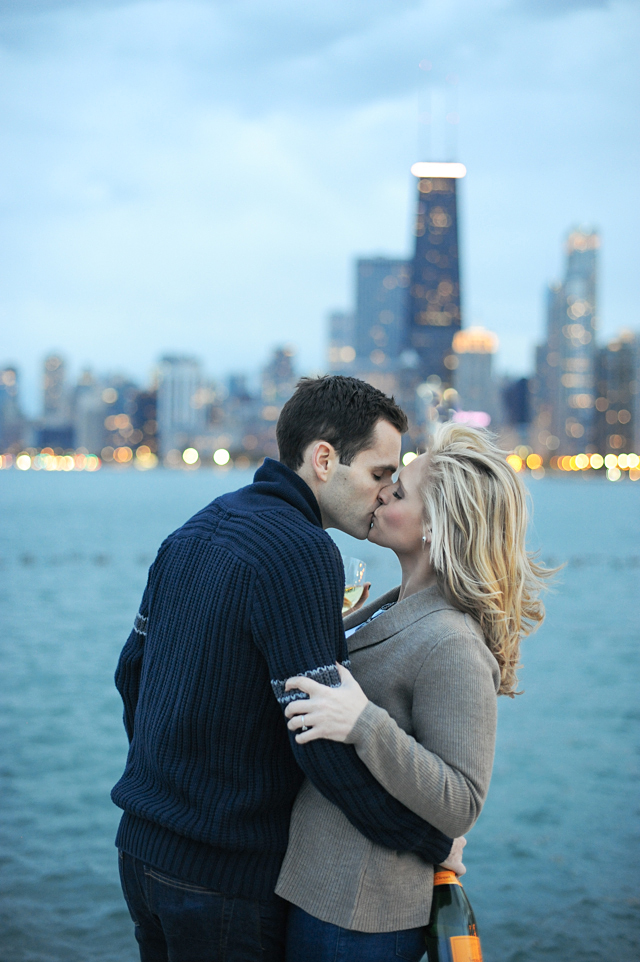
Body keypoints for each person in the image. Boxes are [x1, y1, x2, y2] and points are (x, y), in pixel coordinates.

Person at [111, 376, 463, 962]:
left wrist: (168, 788)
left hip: (141, 852)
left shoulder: (194, 528)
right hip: (223, 877)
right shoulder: (301, 551)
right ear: (324, 459)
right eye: (379, 474)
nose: (385, 492)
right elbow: (319, 737)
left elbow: (132, 673)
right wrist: (427, 840)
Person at [279, 423, 552, 962]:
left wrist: (364, 722)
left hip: (358, 916)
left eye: (398, 491)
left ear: (436, 527)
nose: (381, 492)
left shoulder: (451, 641)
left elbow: (461, 802)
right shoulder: (389, 603)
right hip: (314, 889)